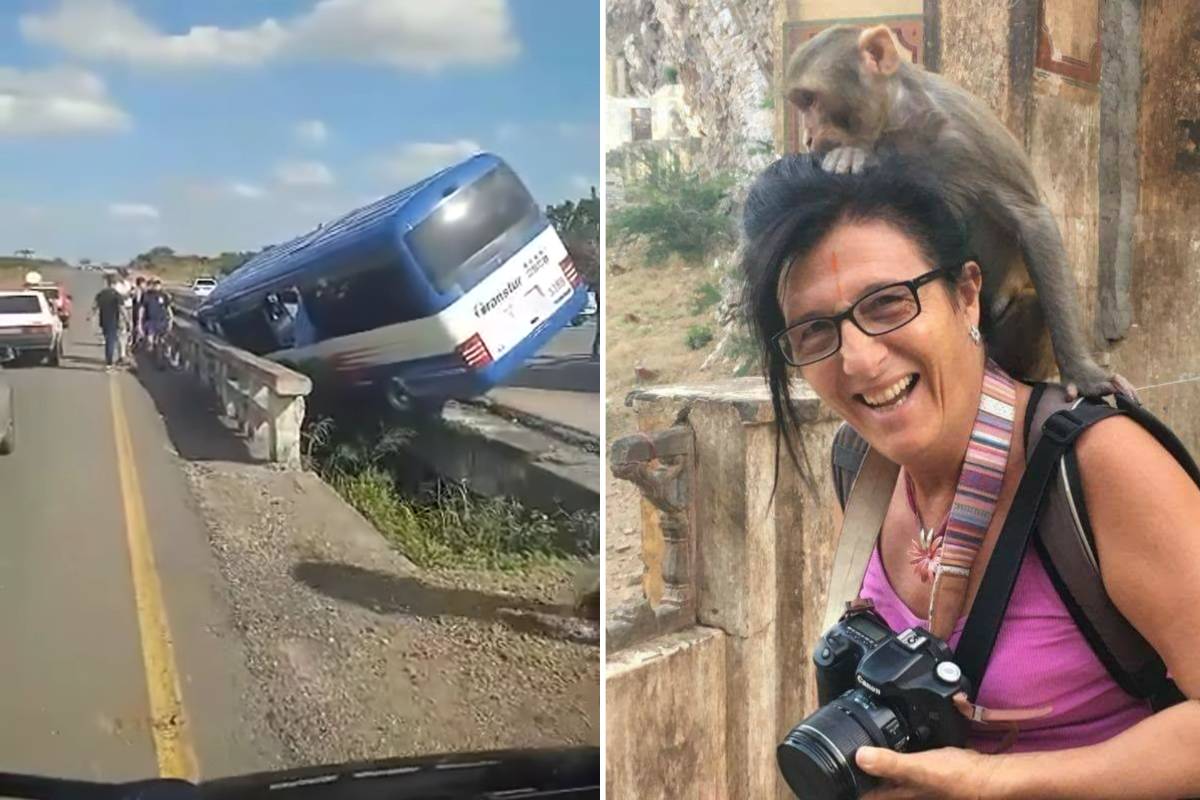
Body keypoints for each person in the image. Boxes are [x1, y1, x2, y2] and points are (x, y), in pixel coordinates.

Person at [740, 155, 1200, 798]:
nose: (860, 361)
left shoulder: (1098, 467)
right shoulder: (861, 468)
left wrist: (994, 782)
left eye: (887, 304)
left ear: (965, 294)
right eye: (816, 332)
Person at [91, 274, 123, 371]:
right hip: (113, 321)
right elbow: (122, 309)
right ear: (114, 283)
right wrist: (127, 320)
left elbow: (94, 306)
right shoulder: (117, 295)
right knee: (110, 342)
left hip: (103, 321)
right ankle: (109, 363)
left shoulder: (101, 294)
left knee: (109, 341)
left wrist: (91, 316)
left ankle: (109, 361)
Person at [141, 278, 173, 368]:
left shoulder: (164, 295)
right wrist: (140, 322)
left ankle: (159, 362)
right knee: (150, 342)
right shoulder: (147, 295)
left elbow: (168, 308)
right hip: (150, 321)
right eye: (155, 284)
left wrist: (171, 319)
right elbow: (142, 309)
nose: (156, 286)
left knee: (160, 342)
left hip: (162, 321)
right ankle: (150, 355)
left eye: (158, 284)